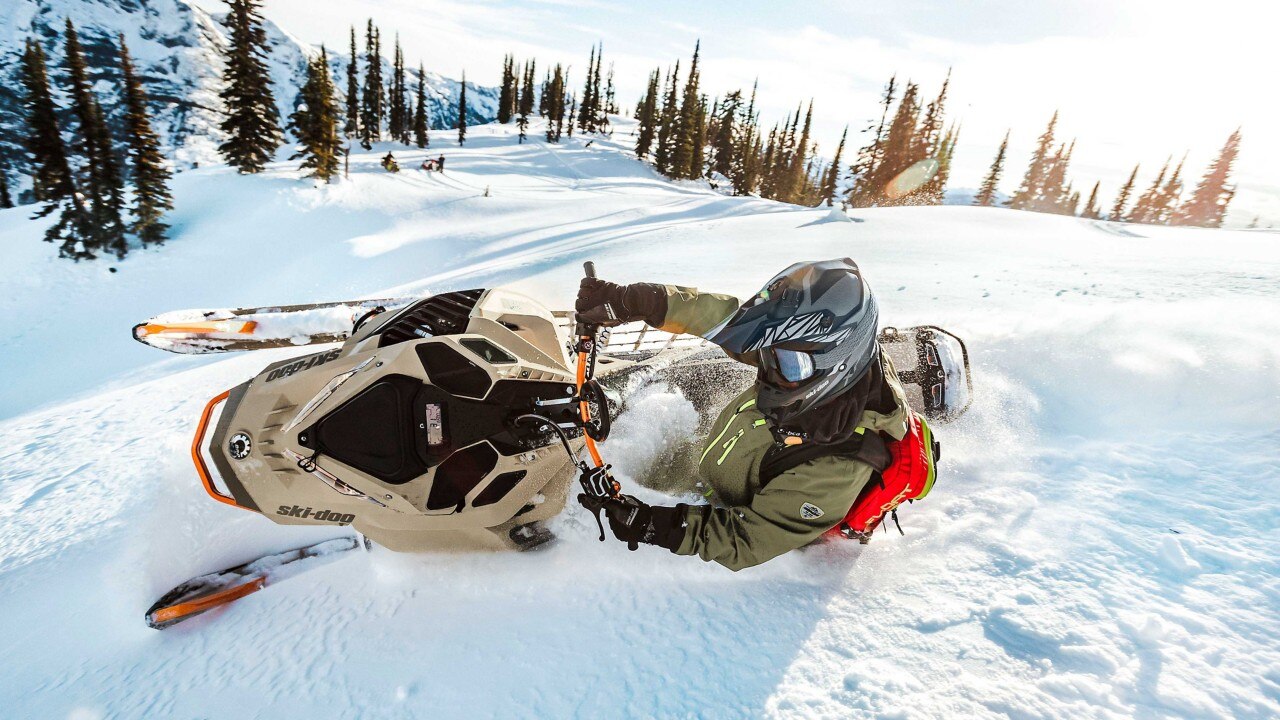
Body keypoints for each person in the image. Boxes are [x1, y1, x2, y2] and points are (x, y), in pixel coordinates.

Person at [575, 258, 911, 571]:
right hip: (712, 458)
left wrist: (654, 525)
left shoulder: (835, 466)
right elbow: (732, 323)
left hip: (709, 510)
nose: (767, 366)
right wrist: (638, 301)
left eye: (786, 362)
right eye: (768, 351)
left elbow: (749, 539)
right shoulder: (807, 363)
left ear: (837, 364)